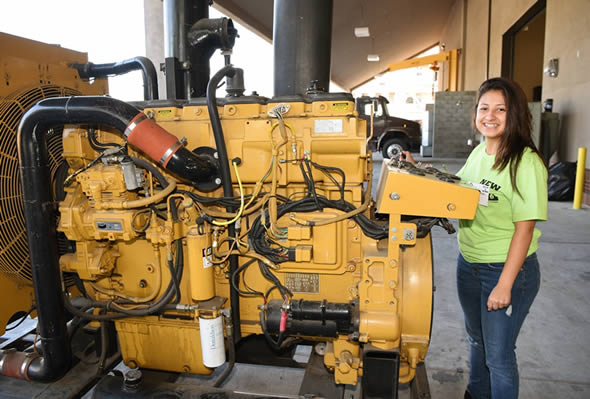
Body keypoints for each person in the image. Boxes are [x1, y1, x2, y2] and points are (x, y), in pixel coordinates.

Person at [403, 77, 548, 399]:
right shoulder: (481, 152)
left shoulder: (525, 163)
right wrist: (418, 172)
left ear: (516, 115)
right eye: (484, 108)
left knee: (499, 357)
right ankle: (477, 394)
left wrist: (505, 284)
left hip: (506, 270)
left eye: (501, 109)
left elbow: (524, 230)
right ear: (475, 114)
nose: (490, 116)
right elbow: (460, 190)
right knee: (476, 339)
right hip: (469, 264)